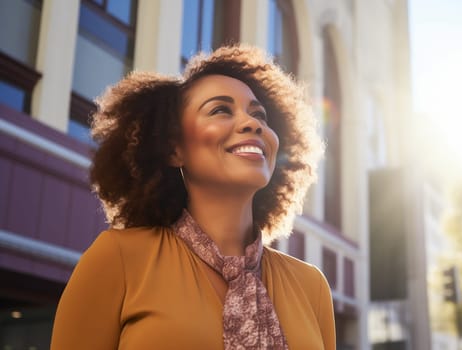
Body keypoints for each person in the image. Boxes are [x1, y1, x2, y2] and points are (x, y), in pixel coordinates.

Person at [50, 45, 334, 349]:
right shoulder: (117, 259)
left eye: (259, 114)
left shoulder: (311, 286)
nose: (253, 124)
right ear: (174, 149)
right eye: (220, 110)